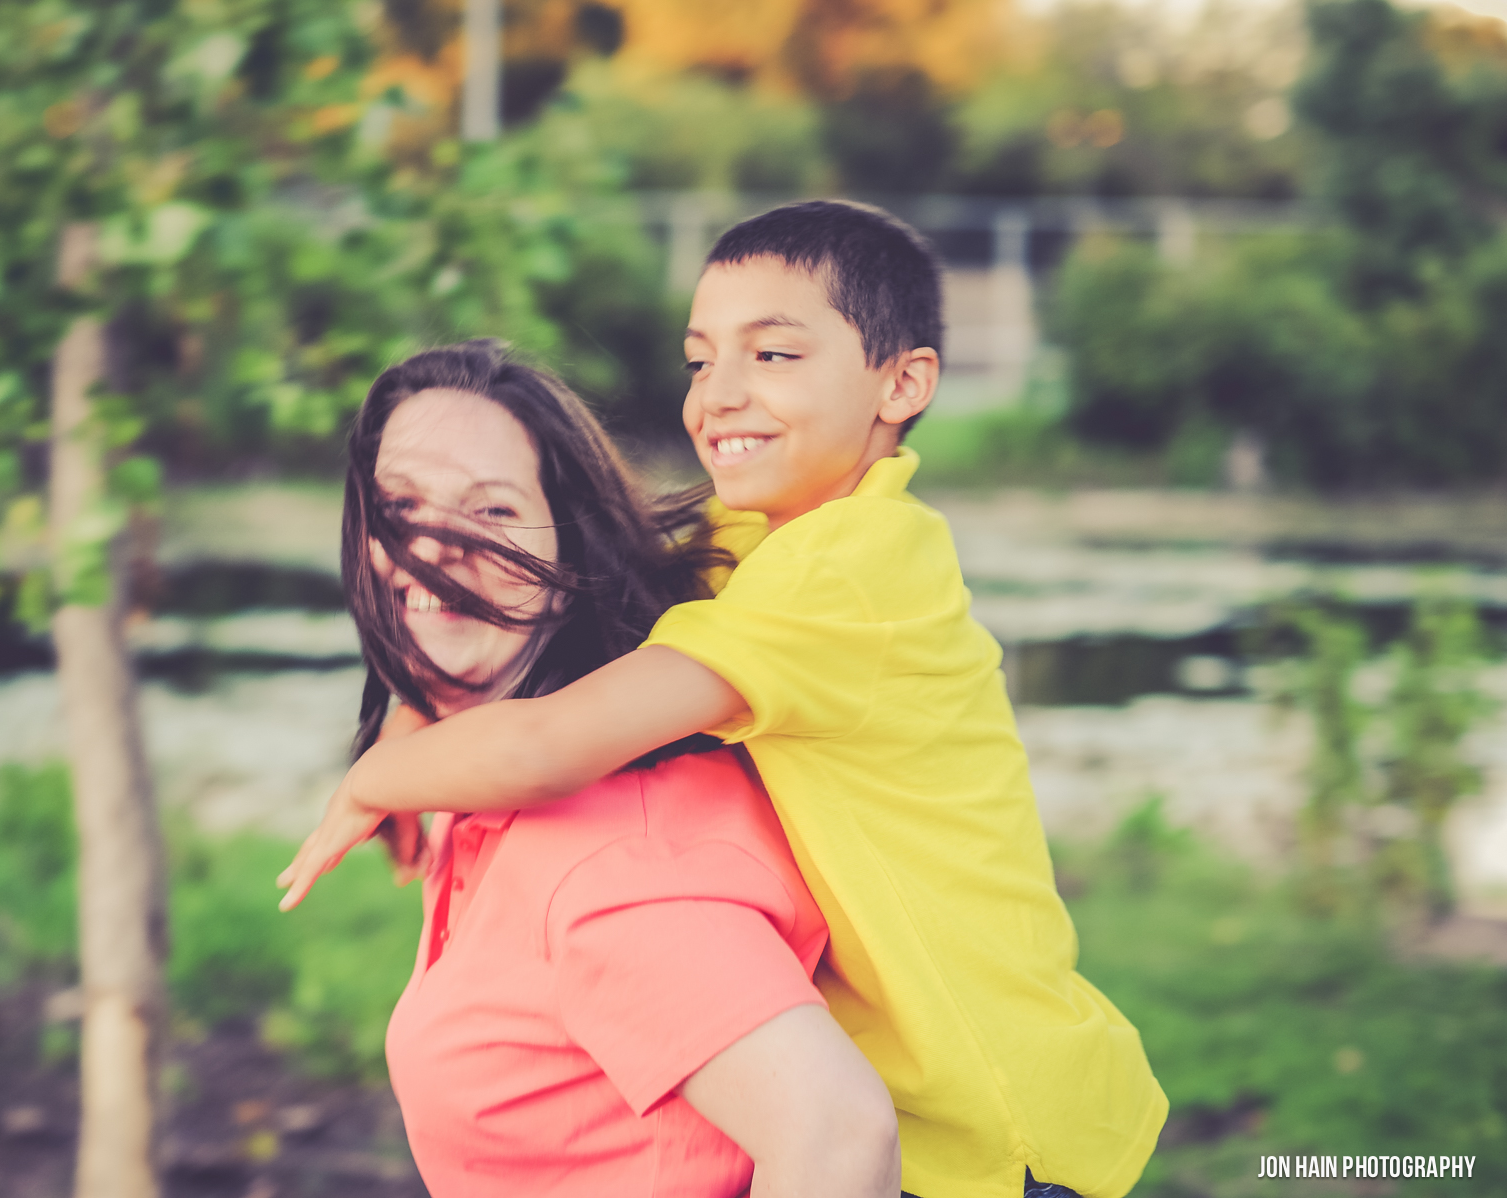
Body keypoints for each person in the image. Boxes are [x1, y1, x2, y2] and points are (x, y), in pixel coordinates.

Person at [280, 202, 1168, 1198]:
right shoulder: (766, 533)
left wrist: (374, 778)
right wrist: (424, 694)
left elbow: (547, 745)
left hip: (994, 1138)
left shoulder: (843, 574)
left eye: (774, 356)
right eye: (701, 361)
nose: (720, 396)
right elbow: (589, 578)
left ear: (902, 383)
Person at [306, 341, 900, 1196]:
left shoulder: (615, 864)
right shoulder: (479, 771)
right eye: (400, 504)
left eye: (496, 512)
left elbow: (838, 1136)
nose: (434, 546)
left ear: (570, 557)